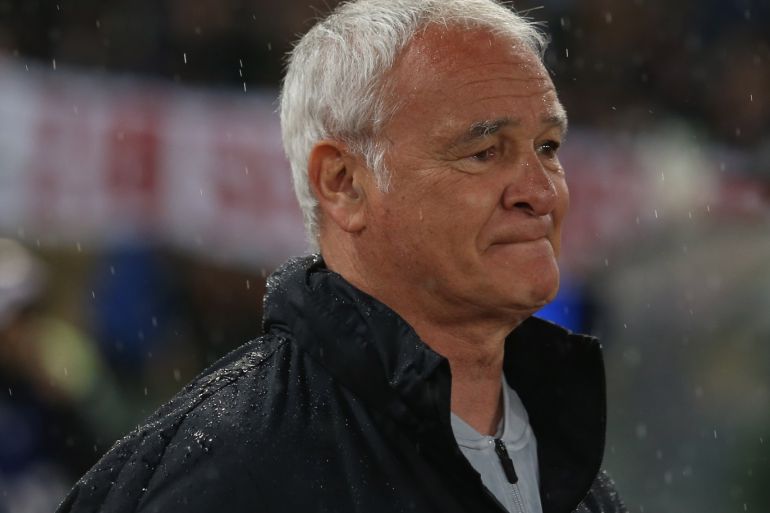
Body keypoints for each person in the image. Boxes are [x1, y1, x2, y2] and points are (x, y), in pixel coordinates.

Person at [59, 1, 627, 512]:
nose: (543, 191)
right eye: (483, 152)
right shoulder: (226, 469)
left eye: (547, 148)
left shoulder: (575, 473)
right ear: (344, 183)